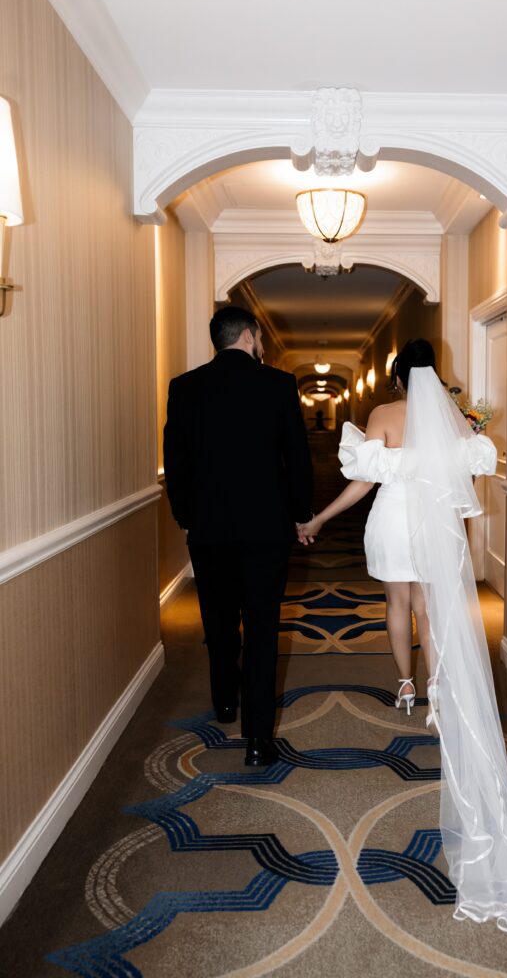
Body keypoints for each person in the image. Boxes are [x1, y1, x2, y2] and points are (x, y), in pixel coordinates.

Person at [297, 339, 507, 931]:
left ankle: (404, 682)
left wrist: (322, 518)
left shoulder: (382, 416)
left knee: (395, 603)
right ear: (435, 374)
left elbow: (365, 483)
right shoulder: (453, 418)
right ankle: (438, 683)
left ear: (398, 378)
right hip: (435, 526)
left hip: (391, 522)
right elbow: (471, 470)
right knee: (430, 604)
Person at [164, 306, 313, 767]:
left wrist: (186, 516)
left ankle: (225, 702)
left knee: (219, 621)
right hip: (266, 528)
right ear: (251, 336)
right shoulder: (278, 385)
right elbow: (297, 458)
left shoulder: (184, 388)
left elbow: (176, 460)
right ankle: (257, 740)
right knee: (263, 629)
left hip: (209, 529)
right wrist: (301, 514)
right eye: (261, 339)